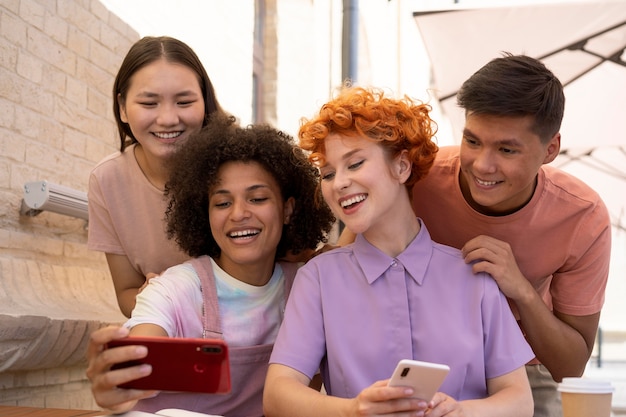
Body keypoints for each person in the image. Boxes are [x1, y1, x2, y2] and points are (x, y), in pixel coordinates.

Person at [338, 53, 612, 417]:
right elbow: (341, 269)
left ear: (550, 149)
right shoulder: (417, 176)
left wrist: (521, 291)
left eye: (507, 149)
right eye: (472, 140)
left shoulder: (583, 217)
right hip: (414, 365)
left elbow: (571, 365)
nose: (483, 165)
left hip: (525, 373)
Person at [264, 86, 535, 417]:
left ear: (402, 167)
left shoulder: (474, 277)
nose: (339, 183)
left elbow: (520, 400)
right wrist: (353, 410)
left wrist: (461, 412)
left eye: (355, 163)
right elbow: (278, 394)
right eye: (329, 174)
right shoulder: (319, 279)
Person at [86, 115, 336, 416]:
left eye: (257, 198)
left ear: (287, 209)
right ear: (204, 213)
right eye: (222, 203)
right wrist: (116, 380)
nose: (239, 213)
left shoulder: (306, 285)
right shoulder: (175, 288)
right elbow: (139, 351)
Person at [88, 36, 226, 317]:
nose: (168, 119)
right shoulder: (107, 180)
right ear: (123, 107)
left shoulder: (235, 166)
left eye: (184, 101)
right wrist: (149, 297)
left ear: (205, 102)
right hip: (168, 330)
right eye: (149, 103)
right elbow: (126, 291)